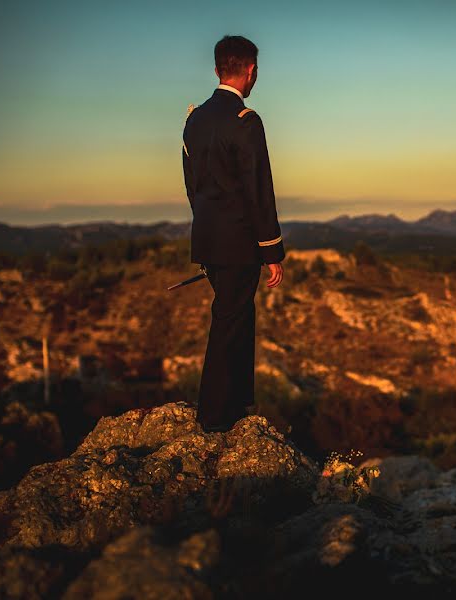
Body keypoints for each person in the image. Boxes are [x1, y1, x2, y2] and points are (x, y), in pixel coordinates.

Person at [182, 35, 285, 432]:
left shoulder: (196, 119)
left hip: (207, 238)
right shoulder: (246, 121)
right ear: (251, 71)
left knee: (236, 315)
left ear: (217, 70)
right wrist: (271, 248)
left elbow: (192, 186)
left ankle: (236, 403)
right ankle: (215, 415)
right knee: (231, 319)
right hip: (240, 241)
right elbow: (259, 189)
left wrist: (208, 228)